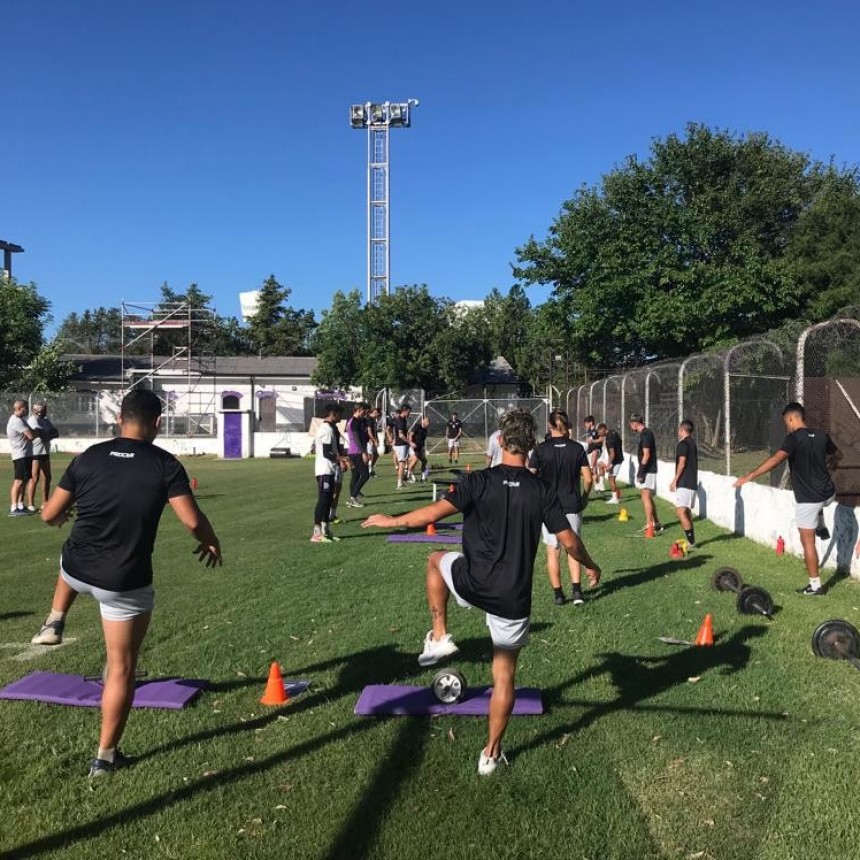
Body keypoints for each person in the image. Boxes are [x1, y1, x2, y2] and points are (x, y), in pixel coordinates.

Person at [362, 409, 601, 775]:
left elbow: (430, 515)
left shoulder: (477, 482)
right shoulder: (542, 491)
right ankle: (490, 754)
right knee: (503, 677)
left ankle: (439, 636)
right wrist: (590, 565)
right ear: (532, 446)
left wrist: (391, 520)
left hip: (472, 583)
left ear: (501, 442)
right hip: (511, 599)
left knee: (435, 560)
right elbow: (569, 541)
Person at [29, 389, 222, 777]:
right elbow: (191, 520)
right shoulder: (165, 464)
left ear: (119, 418)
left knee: (69, 554)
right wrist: (210, 541)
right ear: (158, 423)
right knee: (120, 668)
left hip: (78, 570)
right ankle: (105, 757)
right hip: (122, 581)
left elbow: (49, 514)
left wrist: (58, 518)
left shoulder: (89, 456)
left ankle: (55, 620)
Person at [734, 402, 841, 595]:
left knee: (807, 541)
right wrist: (833, 461)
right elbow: (838, 454)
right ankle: (821, 522)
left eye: (786, 421)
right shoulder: (821, 435)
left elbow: (776, 459)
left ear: (792, 418)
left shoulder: (793, 439)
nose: (786, 426)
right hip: (829, 493)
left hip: (809, 500)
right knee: (820, 505)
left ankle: (815, 586)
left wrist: (749, 476)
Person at [529, 410, 595, 606]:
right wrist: (584, 498)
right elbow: (589, 478)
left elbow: (530, 476)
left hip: (549, 507)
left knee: (553, 550)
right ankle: (577, 592)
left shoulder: (540, 450)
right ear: (566, 425)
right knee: (573, 548)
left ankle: (558, 594)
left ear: (549, 426)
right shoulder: (577, 449)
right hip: (571, 504)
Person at [314, 402, 349, 541]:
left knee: (329, 500)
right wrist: (344, 458)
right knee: (323, 500)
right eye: (340, 414)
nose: (342, 417)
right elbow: (327, 453)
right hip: (324, 469)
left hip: (331, 469)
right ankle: (316, 533)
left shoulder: (332, 428)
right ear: (333, 414)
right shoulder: (326, 430)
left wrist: (340, 461)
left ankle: (326, 531)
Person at [628, 413, 663, 534]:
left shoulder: (646, 434)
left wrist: (641, 471)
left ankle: (650, 525)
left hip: (648, 470)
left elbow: (646, 454)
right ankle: (656, 523)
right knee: (646, 496)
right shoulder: (644, 434)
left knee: (645, 497)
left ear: (635, 423)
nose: (630, 426)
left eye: (631, 424)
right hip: (647, 469)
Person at [669, 420, 699, 548]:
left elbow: (681, 464)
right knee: (685, 512)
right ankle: (691, 540)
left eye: (679, 430)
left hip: (685, 482)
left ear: (682, 430)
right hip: (692, 482)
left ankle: (691, 541)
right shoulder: (693, 444)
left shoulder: (683, 444)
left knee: (680, 512)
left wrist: (674, 480)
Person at [7, 399, 38, 517]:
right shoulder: (16, 421)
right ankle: (13, 508)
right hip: (20, 455)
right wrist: (31, 434)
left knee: (24, 480)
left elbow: (33, 433)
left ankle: (20, 505)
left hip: (26, 454)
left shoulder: (22, 420)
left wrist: (32, 433)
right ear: (20, 408)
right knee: (19, 481)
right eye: (25, 407)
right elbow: (31, 435)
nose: (27, 410)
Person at [28, 402, 59, 511]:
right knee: (34, 478)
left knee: (47, 476)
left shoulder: (45, 420)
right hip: (35, 452)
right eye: (44, 409)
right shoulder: (32, 421)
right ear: (37, 411)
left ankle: (45, 502)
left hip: (45, 451)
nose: (46, 411)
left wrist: (48, 434)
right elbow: (42, 435)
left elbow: (56, 433)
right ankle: (31, 504)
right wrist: (48, 434)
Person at [345, 402, 370, 508]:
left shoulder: (352, 421)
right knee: (365, 474)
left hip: (352, 452)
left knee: (355, 475)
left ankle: (352, 498)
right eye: (364, 411)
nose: (365, 413)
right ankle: (353, 498)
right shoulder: (354, 422)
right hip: (357, 452)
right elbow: (356, 438)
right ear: (359, 410)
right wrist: (363, 452)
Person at [596, 422, 624, 505]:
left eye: (599, 432)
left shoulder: (609, 440)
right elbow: (620, 441)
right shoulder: (613, 432)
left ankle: (615, 499)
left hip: (616, 461)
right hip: (618, 458)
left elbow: (612, 453)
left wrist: (609, 464)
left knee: (611, 479)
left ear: (603, 429)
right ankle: (603, 486)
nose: (598, 433)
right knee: (601, 465)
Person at [392, 404, 412, 488]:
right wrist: (410, 442)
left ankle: (401, 482)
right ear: (405, 411)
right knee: (402, 464)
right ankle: (399, 483)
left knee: (403, 463)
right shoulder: (400, 420)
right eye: (409, 412)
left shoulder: (404, 419)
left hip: (403, 444)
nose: (409, 414)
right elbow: (400, 435)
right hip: (400, 445)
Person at [408, 415, 431, 482]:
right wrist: (411, 443)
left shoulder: (425, 431)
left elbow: (422, 441)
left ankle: (423, 476)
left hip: (419, 448)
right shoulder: (417, 426)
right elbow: (410, 435)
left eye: (428, 422)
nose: (428, 423)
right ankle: (408, 476)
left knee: (424, 461)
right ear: (423, 421)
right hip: (412, 447)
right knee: (415, 460)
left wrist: (423, 448)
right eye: (427, 421)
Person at [582, 415, 602, 487]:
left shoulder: (597, 430)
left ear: (591, 422)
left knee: (592, 464)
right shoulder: (589, 431)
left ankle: (591, 468)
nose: (585, 425)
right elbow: (589, 441)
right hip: (589, 451)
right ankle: (597, 486)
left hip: (596, 450)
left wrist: (592, 441)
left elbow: (601, 439)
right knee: (594, 469)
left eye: (586, 423)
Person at [366, 406, 381, 477]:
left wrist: (376, 439)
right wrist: (374, 440)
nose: (378, 415)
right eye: (378, 414)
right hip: (369, 440)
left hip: (373, 439)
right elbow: (369, 432)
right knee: (370, 455)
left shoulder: (373, 420)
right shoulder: (369, 419)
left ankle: (370, 470)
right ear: (375, 412)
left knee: (375, 455)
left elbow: (374, 431)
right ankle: (368, 471)